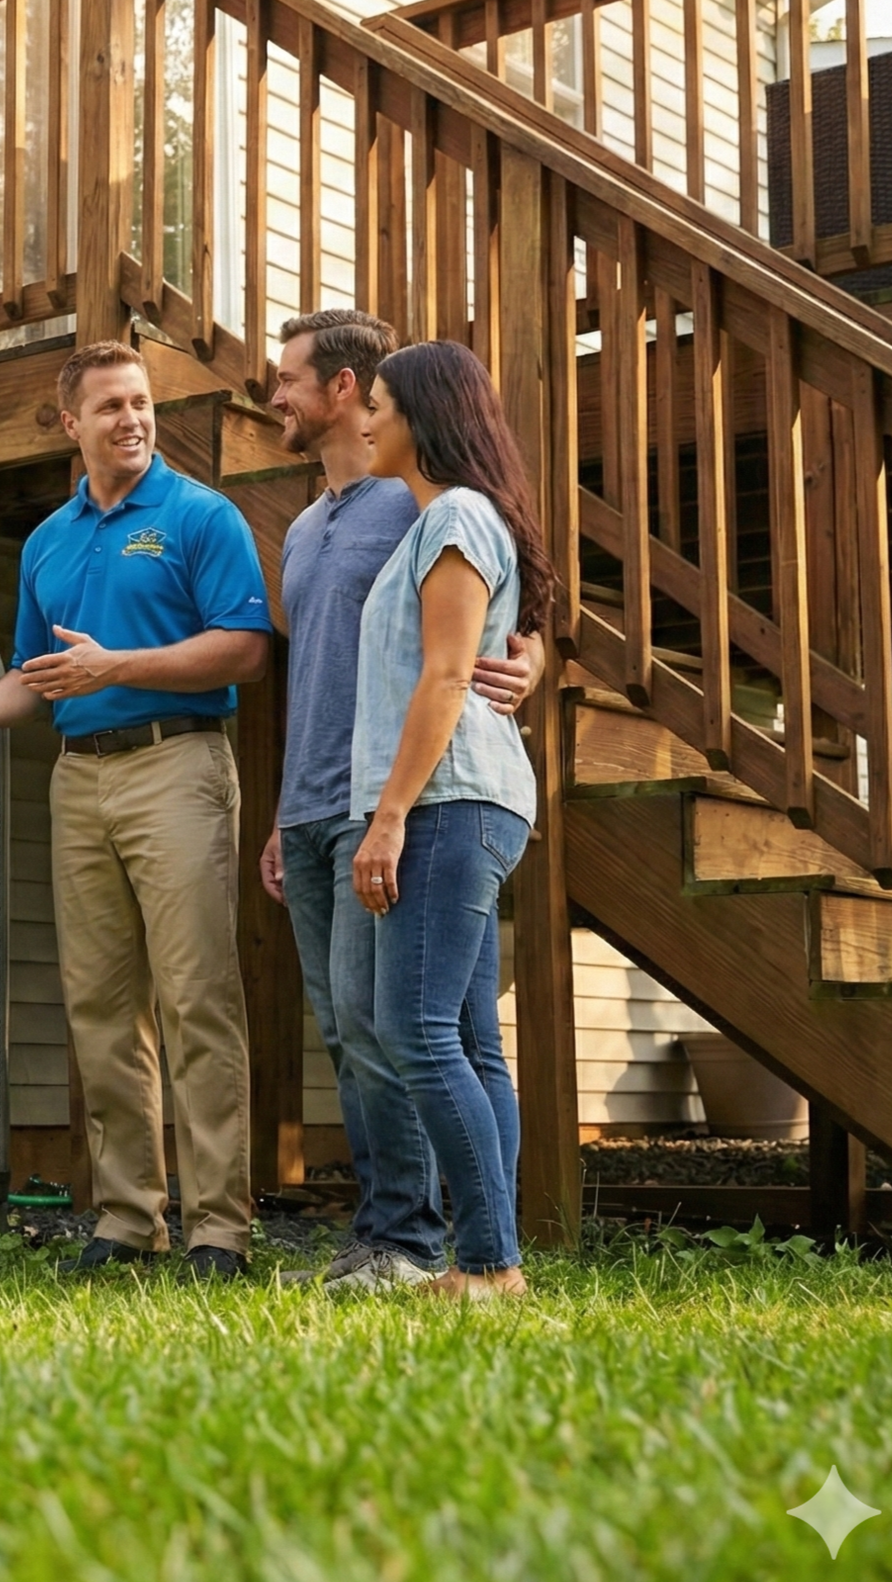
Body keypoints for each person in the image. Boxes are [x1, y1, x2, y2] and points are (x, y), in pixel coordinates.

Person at [0, 339, 272, 1281]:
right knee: (101, 1007)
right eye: (109, 406)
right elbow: (42, 676)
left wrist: (118, 665)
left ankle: (218, 1230)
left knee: (195, 999)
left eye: (141, 402)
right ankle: (127, 1220)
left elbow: (242, 650)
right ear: (71, 424)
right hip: (79, 776)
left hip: (175, 766)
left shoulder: (200, 515)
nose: (132, 420)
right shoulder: (48, 539)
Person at [258, 312, 540, 1294]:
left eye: (288, 377)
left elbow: (476, 648)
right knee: (399, 1028)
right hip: (335, 800)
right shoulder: (310, 526)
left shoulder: (430, 508)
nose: (273, 396)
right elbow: (337, 675)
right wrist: (286, 813)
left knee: (410, 1030)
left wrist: (529, 659)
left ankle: (430, 1241)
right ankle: (468, 1247)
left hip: (422, 798)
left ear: (353, 393)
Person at [350, 339, 557, 1301]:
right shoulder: (442, 521)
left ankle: (490, 1267)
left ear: (424, 417)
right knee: (469, 1043)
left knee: (415, 1029)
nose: (366, 418)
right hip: (465, 797)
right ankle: (489, 1259)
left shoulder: (459, 517)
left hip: (446, 800)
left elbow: (442, 675)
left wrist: (387, 817)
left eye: (381, 404)